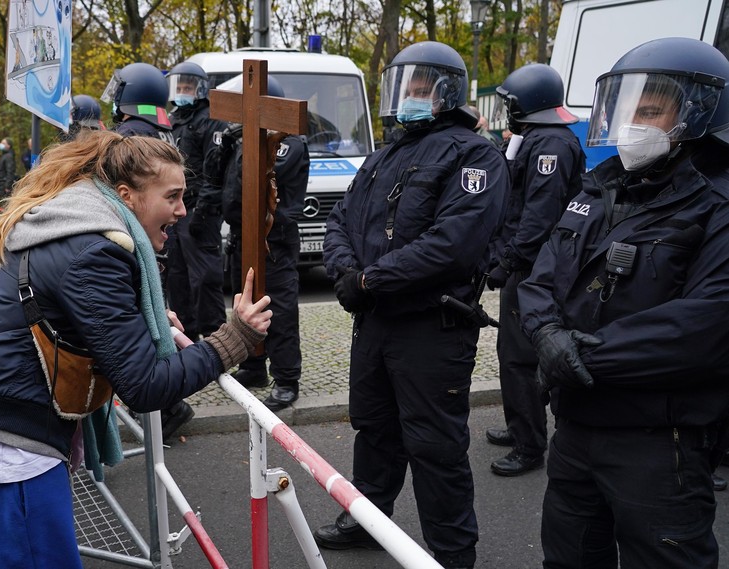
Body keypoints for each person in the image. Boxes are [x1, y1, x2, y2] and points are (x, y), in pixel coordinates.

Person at [0, 130, 271, 568]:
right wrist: (233, 340)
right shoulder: (93, 251)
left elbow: (78, 317)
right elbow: (147, 386)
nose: (182, 210)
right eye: (171, 196)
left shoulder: (71, 222)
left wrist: (138, 322)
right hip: (12, 448)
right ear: (126, 196)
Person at [518, 37, 729, 568]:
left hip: (658, 443)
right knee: (568, 558)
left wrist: (579, 357)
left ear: (702, 112)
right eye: (628, 106)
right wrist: (545, 336)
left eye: (651, 110)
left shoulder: (716, 204)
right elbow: (541, 279)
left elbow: (703, 325)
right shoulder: (600, 189)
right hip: (576, 431)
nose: (634, 121)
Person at [316, 41, 509, 569]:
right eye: (404, 86)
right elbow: (340, 222)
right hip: (375, 324)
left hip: (432, 326)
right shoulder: (386, 154)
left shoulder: (475, 154)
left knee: (434, 445)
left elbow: (455, 244)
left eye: (421, 87)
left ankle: (451, 553)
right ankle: (367, 519)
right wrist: (347, 273)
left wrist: (370, 280)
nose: (410, 97)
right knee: (373, 428)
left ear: (447, 91)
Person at [484, 64, 586, 477]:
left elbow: (539, 217)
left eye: (510, 102)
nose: (507, 109)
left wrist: (507, 262)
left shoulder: (550, 147)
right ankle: (520, 425)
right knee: (512, 352)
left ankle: (529, 445)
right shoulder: (537, 138)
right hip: (529, 264)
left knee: (519, 358)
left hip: (534, 269)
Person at [109, 62, 195, 440]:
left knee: (144, 322)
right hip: (158, 244)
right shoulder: (163, 131)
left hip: (137, 243)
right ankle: (168, 402)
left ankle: (168, 406)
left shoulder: (127, 138)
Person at [217, 76, 310, 411]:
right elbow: (224, 182)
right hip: (243, 235)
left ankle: (286, 379)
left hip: (275, 238)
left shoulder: (286, 142)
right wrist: (228, 146)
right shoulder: (241, 140)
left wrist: (244, 143)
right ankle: (253, 365)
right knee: (246, 302)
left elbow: (259, 178)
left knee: (280, 310)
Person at [165, 62, 227, 347]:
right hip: (176, 214)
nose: (182, 91)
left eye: (187, 87)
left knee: (205, 281)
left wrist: (203, 212)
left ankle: (215, 344)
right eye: (179, 86)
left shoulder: (211, 120)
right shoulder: (173, 120)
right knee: (177, 279)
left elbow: (214, 171)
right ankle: (186, 344)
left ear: (199, 89)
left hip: (200, 213)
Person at [109, 62, 175, 145]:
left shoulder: (131, 131)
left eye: (117, 93)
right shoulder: (162, 130)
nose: (114, 97)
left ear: (131, 93)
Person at [0, 137, 16, 205]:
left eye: (3, 143)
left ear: (9, 146)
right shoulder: (4, 155)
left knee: (3, 206)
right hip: (0, 185)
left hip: (4, 186)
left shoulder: (8, 157)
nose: (1, 144)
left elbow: (10, 172)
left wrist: (7, 186)